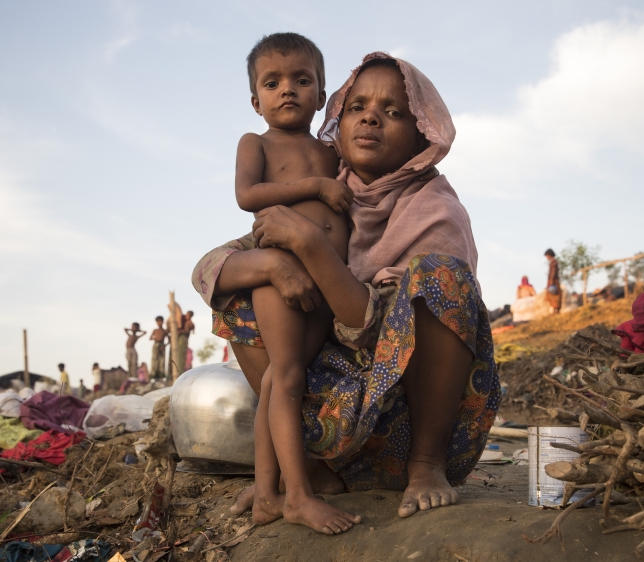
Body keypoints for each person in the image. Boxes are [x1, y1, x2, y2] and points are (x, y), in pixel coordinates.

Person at [192, 52, 498, 534]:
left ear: (423, 134)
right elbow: (209, 269)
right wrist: (274, 261)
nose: (371, 117)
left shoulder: (433, 210)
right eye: (357, 107)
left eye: (394, 112)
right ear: (338, 118)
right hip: (334, 440)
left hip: (402, 427)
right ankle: (300, 474)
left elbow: (370, 333)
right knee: (244, 294)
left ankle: (426, 466)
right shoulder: (325, 192)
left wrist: (312, 248)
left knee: (442, 278)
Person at [206, 31, 356, 536]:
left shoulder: (333, 149)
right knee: (287, 375)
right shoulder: (258, 142)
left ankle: (268, 494)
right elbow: (248, 195)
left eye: (301, 80)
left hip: (325, 282)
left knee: (278, 379)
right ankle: (298, 497)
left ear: (322, 93)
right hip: (282, 269)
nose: (287, 90)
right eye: (273, 83)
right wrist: (315, 186)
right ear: (255, 101)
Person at [173, 311, 195, 376]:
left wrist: (179, 331)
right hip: (183, 339)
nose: (186, 316)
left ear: (190, 316)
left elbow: (186, 331)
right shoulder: (188, 322)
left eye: (187, 315)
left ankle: (181, 373)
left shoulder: (189, 322)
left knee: (181, 356)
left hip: (184, 339)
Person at [150, 315, 170, 381]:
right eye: (158, 322)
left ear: (162, 322)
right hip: (156, 345)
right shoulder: (155, 330)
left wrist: (164, 346)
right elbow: (150, 338)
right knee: (155, 360)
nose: (159, 323)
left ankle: (161, 376)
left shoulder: (164, 331)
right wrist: (156, 338)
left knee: (162, 361)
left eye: (160, 321)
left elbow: (169, 340)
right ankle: (153, 377)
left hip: (162, 345)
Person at [545, 249, 562, 313]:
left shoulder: (554, 262)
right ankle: (555, 310)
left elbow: (553, 273)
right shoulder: (552, 262)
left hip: (553, 282)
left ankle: (556, 310)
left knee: (555, 296)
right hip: (552, 281)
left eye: (547, 256)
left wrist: (551, 281)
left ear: (549, 255)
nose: (546, 257)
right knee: (552, 296)